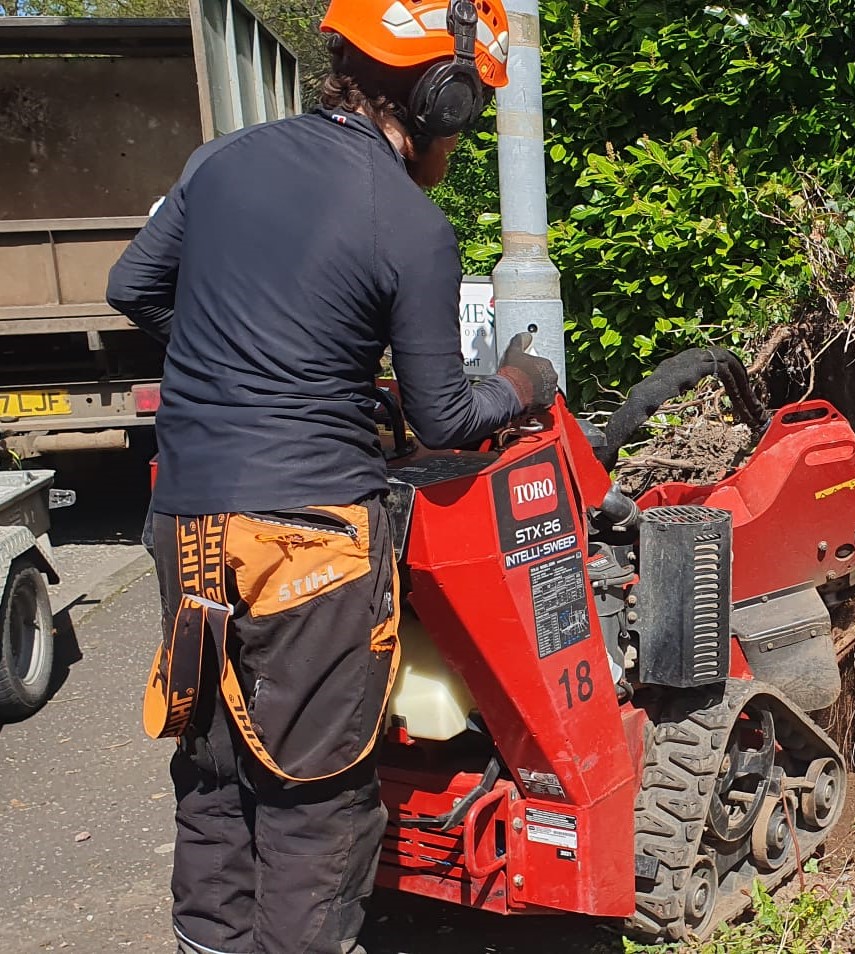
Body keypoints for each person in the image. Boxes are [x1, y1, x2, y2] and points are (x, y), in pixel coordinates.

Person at [105, 0, 557, 951]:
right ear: (442, 99)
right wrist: (521, 381)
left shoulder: (221, 161)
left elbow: (133, 288)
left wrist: (259, 371)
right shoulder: (409, 223)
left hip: (186, 523)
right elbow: (444, 418)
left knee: (216, 765)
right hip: (308, 542)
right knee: (317, 790)